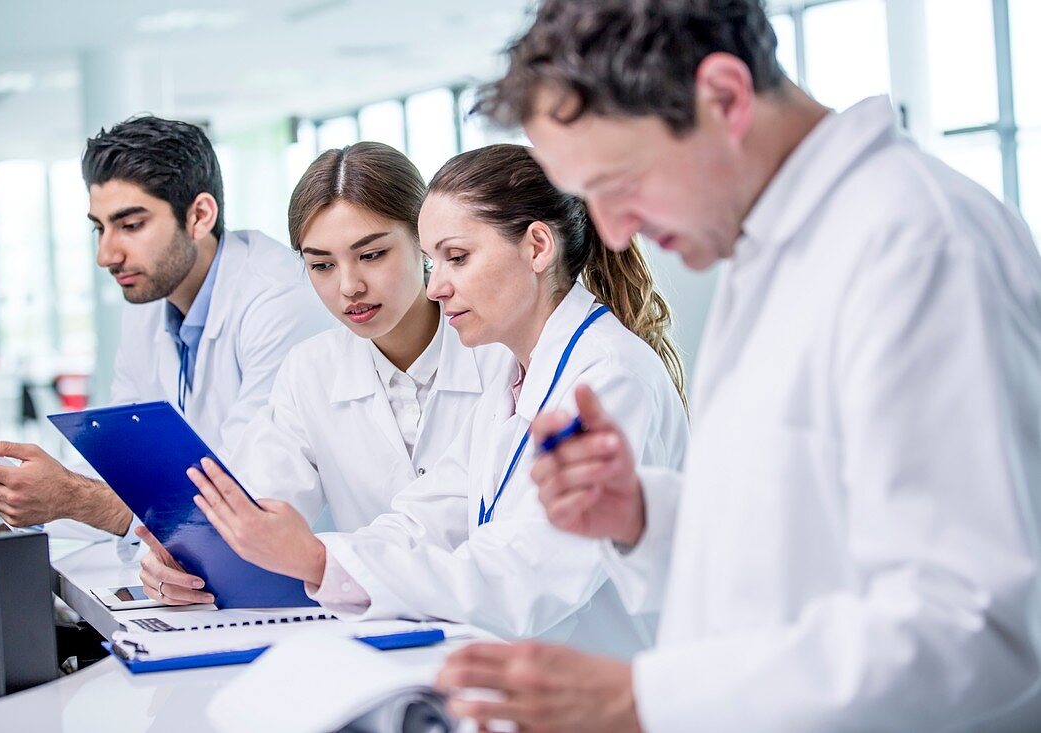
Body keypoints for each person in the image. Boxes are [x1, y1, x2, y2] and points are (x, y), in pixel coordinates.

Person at [435, 1, 1041, 731]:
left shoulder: (916, 244)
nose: (615, 231)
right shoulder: (770, 251)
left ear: (723, 98)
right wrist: (642, 515)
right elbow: (808, 541)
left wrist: (644, 699)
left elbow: (976, 622)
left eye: (618, 183)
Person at [184, 143, 690, 657]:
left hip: (611, 695)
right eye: (436, 261)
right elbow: (430, 515)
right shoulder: (518, 376)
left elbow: (529, 578)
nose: (438, 287)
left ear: (537, 248)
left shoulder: (606, 377)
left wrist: (320, 560)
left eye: (457, 258)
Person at [136, 142, 513, 606]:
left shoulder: (502, 353)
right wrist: (184, 559)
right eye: (321, 265)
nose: (349, 286)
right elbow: (258, 503)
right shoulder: (311, 371)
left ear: (424, 240)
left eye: (371, 255)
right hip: (381, 631)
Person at [0, 116, 330, 545]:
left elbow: (242, 503)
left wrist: (73, 498)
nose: (106, 255)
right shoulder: (149, 301)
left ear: (200, 215)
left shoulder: (279, 301)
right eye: (99, 227)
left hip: (303, 580)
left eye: (130, 226)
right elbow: (118, 467)